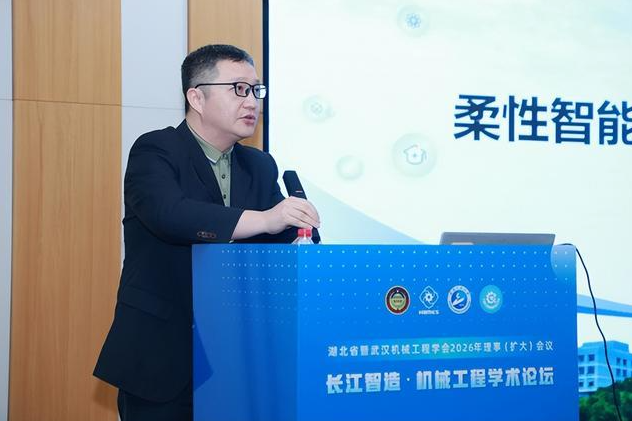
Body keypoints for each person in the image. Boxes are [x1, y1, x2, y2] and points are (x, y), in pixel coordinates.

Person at [93, 44, 320, 421]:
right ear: (196, 97)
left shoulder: (259, 165)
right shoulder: (156, 149)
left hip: (239, 360)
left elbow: (280, 242)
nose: (252, 101)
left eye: (256, 90)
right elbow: (171, 216)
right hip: (162, 355)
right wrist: (266, 219)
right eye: (239, 89)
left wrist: (300, 232)